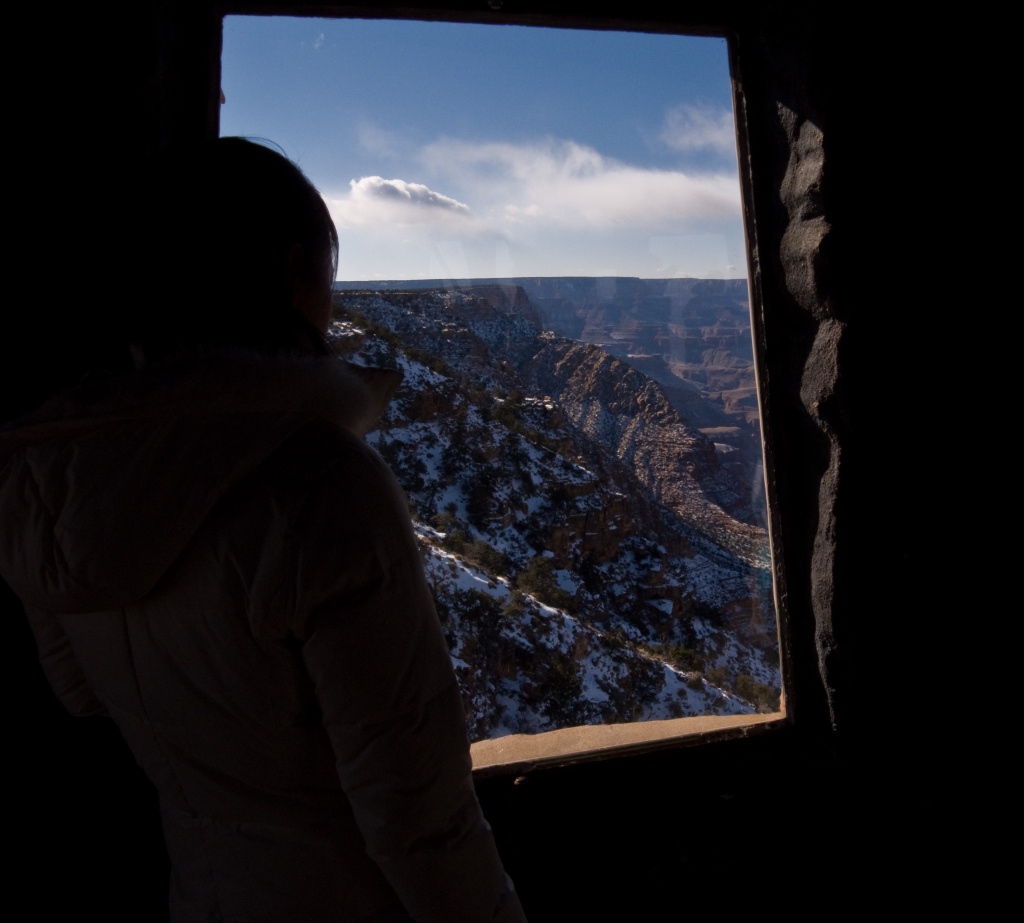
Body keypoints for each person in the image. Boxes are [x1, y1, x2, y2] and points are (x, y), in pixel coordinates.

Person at [0, 137, 527, 922]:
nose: (334, 301)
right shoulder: (320, 485)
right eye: (327, 271)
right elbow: (417, 808)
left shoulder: (46, 484)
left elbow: (81, 693)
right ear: (288, 272)